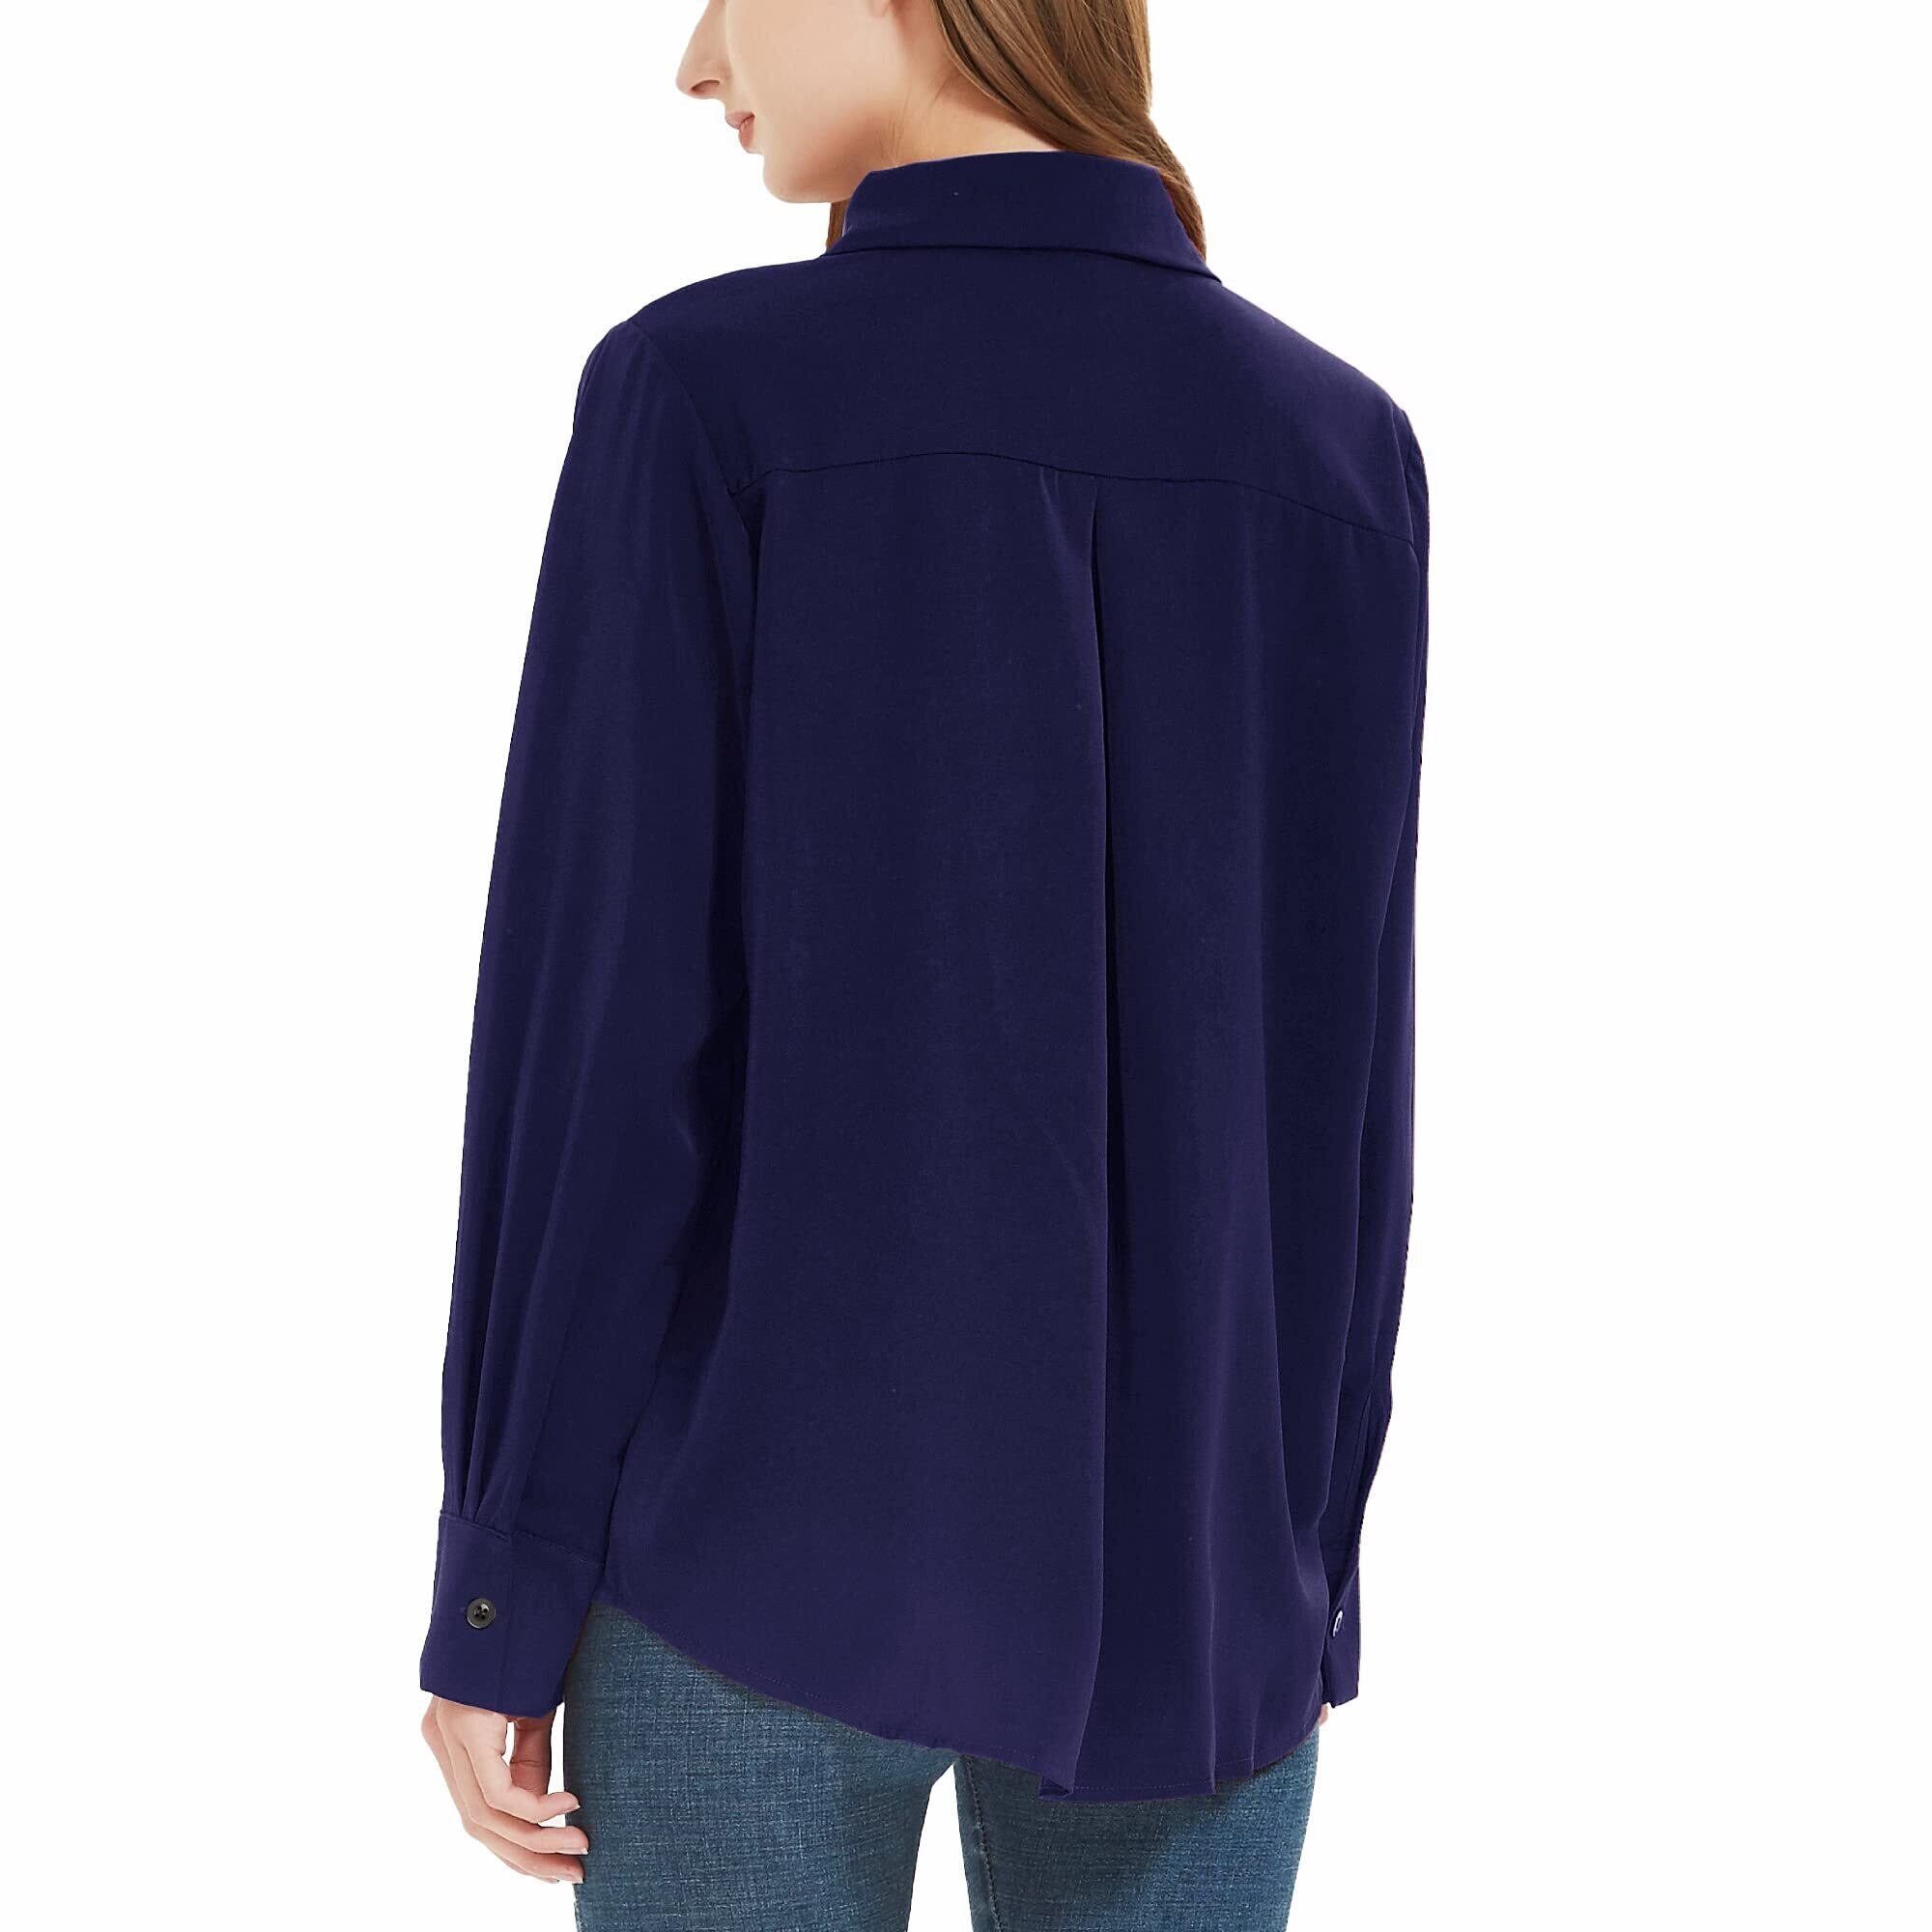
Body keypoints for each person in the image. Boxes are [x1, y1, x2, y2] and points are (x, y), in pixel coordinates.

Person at [418, 1, 1429, 1924]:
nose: (696, 60)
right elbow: (1340, 1088)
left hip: (750, 1560)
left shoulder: (706, 392)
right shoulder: (1336, 445)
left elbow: (603, 1035)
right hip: (1202, 1583)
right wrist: (1300, 1560)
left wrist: (504, 1574)